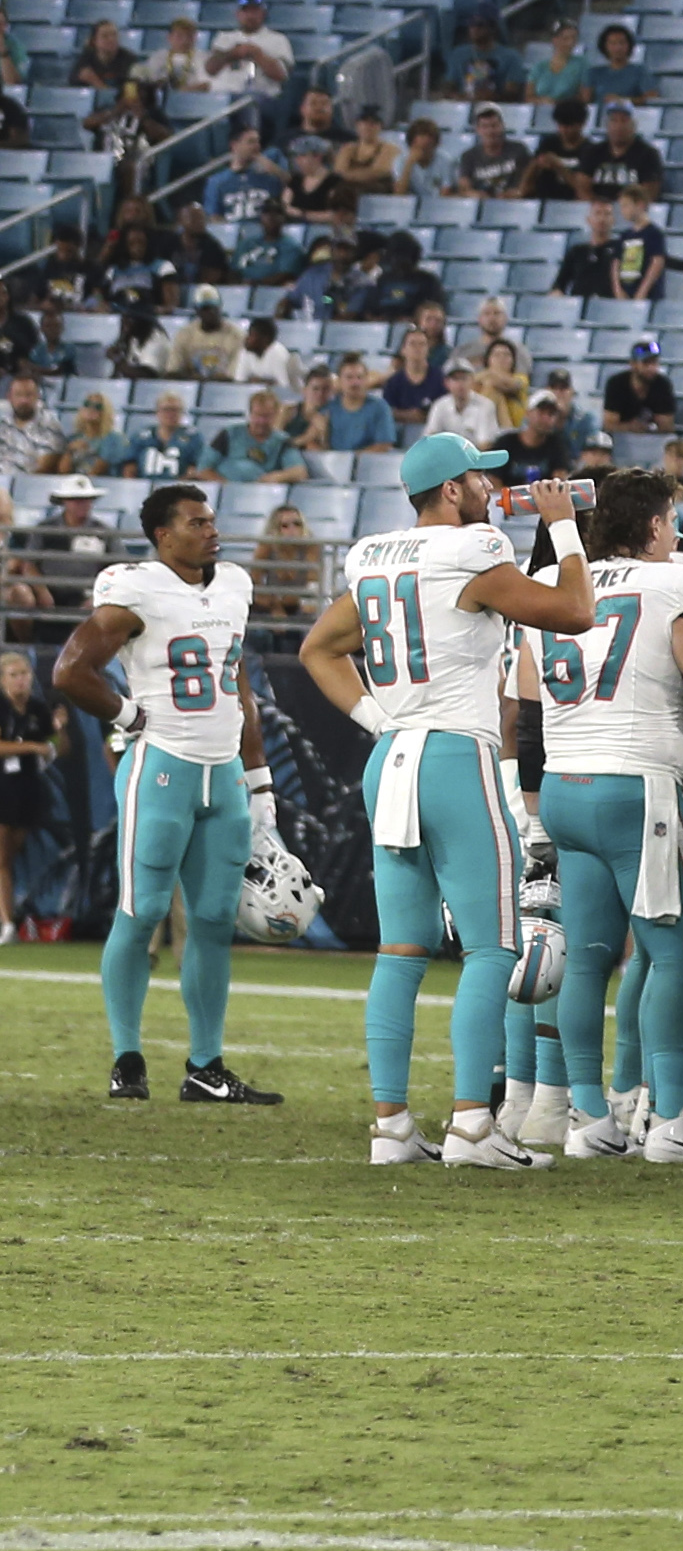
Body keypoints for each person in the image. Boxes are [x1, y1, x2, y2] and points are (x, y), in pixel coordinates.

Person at [306, 433, 601, 1168]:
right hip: (456, 756)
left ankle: (391, 1128)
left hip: (394, 756)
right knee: (492, 948)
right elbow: (575, 610)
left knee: (400, 951)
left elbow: (319, 647)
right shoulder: (473, 550)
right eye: (478, 478)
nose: (489, 489)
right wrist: (562, 525)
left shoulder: (373, 556)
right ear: (449, 490)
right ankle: (473, 1122)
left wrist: (379, 720)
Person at [524, 468, 683, 1166]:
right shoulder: (673, 584)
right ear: (656, 525)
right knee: (680, 955)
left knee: (587, 960)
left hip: (566, 783)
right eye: (671, 520)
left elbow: (528, 704)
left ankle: (590, 1116)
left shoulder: (557, 584)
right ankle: (674, 1121)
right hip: (638, 788)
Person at [49, 480, 280, 1104]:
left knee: (210, 922)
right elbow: (70, 670)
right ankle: (127, 1057)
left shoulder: (234, 584)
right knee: (142, 909)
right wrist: (127, 716)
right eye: (197, 522)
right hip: (162, 767)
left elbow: (238, 686)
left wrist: (260, 783)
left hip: (224, 775)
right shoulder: (136, 588)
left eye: (211, 520)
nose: (212, 530)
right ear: (163, 535)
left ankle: (206, 1066)